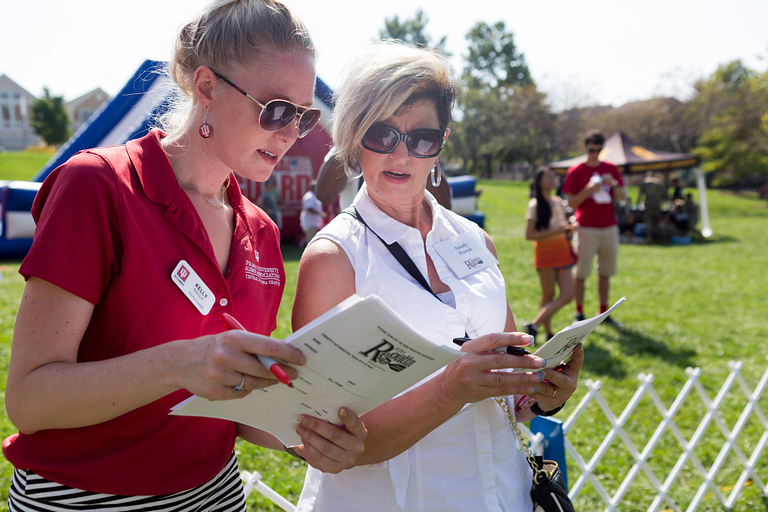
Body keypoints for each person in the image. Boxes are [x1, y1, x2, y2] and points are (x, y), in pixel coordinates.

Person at [3, 1, 366, 510]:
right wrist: (176, 363)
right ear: (206, 88)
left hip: (215, 492)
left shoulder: (259, 232)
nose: (289, 134)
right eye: (276, 110)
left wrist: (303, 435)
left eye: (303, 117)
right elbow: (29, 400)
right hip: (84, 497)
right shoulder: (99, 185)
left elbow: (233, 405)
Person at [291, 41, 583, 512]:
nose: (401, 153)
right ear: (353, 136)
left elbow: (507, 385)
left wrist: (542, 395)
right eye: (381, 133)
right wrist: (450, 389)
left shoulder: (476, 241)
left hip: (503, 494)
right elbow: (327, 435)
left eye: (421, 137)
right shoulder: (334, 257)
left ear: (441, 143)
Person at [562, 130, 626, 326]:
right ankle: (579, 313)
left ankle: (603, 313)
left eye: (598, 150)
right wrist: (589, 189)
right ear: (584, 148)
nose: (594, 154)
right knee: (581, 273)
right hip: (585, 228)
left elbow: (623, 198)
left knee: (605, 272)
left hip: (609, 228)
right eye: (591, 150)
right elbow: (571, 203)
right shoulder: (576, 171)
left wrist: (613, 184)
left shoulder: (611, 168)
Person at [523, 168, 576, 341]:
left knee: (568, 295)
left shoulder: (558, 201)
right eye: (548, 176)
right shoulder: (535, 204)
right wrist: (556, 230)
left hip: (563, 251)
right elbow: (529, 235)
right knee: (548, 294)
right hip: (546, 253)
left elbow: (562, 225)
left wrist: (567, 228)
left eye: (554, 176)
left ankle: (534, 325)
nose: (553, 179)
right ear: (539, 182)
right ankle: (548, 333)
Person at [315, 145, 453, 211]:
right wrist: (352, 138)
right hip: (360, 247)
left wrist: (422, 150)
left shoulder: (414, 148)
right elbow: (324, 195)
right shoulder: (351, 147)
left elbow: (444, 207)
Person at [636, 171, 667, 243]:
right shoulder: (658, 181)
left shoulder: (645, 181)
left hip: (648, 203)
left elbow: (640, 194)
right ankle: (658, 237)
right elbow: (664, 194)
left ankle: (649, 237)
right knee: (657, 221)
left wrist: (638, 205)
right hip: (657, 203)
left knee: (648, 221)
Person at [299, 179, 327, 246]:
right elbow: (309, 208)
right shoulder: (309, 196)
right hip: (310, 223)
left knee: (314, 242)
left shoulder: (314, 196)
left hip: (315, 222)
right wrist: (320, 214)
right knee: (311, 243)